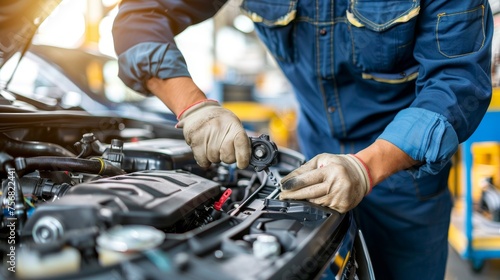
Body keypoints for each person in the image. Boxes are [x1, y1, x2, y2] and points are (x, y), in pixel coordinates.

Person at [112, 1, 494, 279]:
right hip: (312, 170)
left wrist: (365, 167)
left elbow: (456, 82)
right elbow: (139, 17)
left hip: (404, 176)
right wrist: (193, 106)